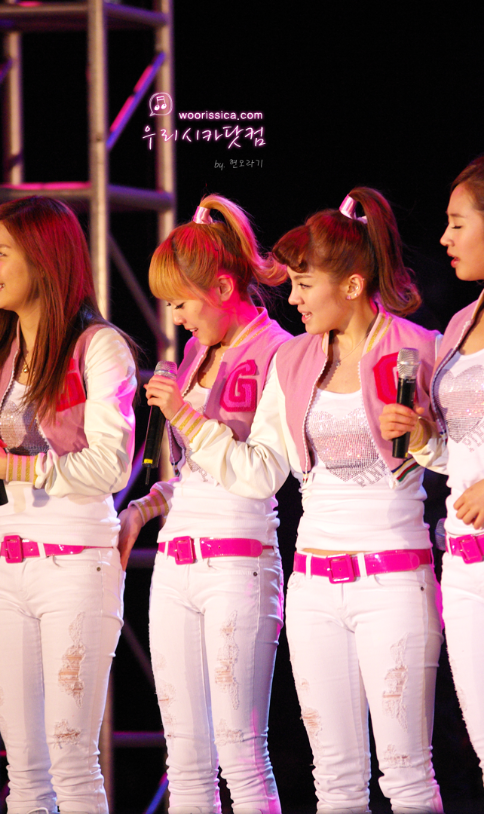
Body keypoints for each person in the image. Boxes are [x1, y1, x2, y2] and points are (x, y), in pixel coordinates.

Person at [148, 188, 444, 813]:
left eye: (306, 284)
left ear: (353, 285)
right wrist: (153, 497)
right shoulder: (294, 359)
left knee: (407, 779)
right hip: (313, 582)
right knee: (333, 781)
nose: (294, 295)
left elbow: (453, 452)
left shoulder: (419, 347)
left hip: (391, 576)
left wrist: (426, 440)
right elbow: (254, 467)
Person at [0, 196, 137, 814]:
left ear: (44, 258)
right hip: (6, 565)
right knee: (26, 773)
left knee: (72, 763)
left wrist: (8, 465)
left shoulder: (98, 348)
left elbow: (111, 466)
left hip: (75, 563)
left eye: (1, 254)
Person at [118, 194, 290, 814]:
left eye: (182, 303)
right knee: (187, 762)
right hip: (176, 564)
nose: (177, 318)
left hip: (237, 564)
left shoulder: (279, 352)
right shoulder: (197, 354)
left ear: (221, 287)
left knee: (241, 756)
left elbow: (260, 474)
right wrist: (143, 509)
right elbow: (197, 475)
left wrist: (184, 413)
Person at [380, 154, 484, 788]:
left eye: (458, 223)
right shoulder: (460, 324)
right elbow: (459, 453)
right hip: (465, 564)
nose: (444, 238)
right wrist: (423, 439)